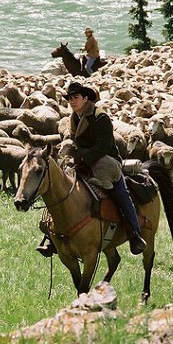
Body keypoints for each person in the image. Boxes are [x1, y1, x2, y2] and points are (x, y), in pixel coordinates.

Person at [36, 81, 147, 257]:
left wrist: (83, 158)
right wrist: (68, 151)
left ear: (85, 98)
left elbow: (104, 145)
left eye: (76, 98)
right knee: (60, 188)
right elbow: (73, 138)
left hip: (106, 162)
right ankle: (53, 237)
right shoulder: (74, 117)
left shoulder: (100, 117)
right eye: (70, 98)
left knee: (121, 195)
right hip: (81, 160)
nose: (72, 101)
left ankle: (135, 234)